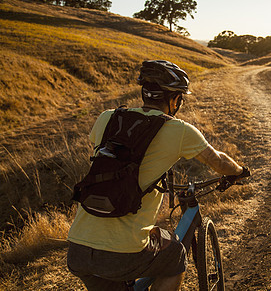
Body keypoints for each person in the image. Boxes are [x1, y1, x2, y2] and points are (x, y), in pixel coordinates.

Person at [66, 60, 248, 290]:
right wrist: (239, 172)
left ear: (145, 93)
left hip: (77, 250)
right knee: (174, 256)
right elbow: (219, 162)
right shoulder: (179, 130)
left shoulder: (107, 118)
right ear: (175, 100)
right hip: (122, 252)